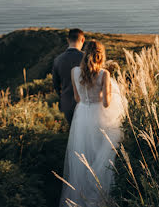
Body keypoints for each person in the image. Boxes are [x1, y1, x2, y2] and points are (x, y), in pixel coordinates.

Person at [59, 40, 125, 207]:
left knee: (83, 154)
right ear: (100, 56)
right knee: (99, 157)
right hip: (99, 116)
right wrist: (115, 92)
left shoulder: (74, 72)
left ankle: (80, 197)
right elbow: (106, 103)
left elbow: (77, 98)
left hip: (82, 116)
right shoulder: (104, 74)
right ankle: (98, 197)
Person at [52, 29, 85, 124]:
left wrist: (62, 96)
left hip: (66, 102)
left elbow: (56, 84)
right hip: (84, 101)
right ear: (82, 40)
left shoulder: (58, 60)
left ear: (68, 40)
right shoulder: (86, 58)